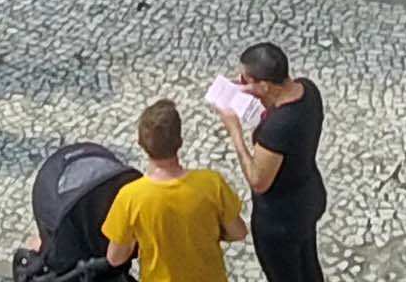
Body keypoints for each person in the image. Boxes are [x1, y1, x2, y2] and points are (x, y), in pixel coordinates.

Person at [99, 101, 247, 280]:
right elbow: (238, 232)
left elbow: (115, 258)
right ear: (180, 142)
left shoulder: (130, 197)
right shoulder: (211, 183)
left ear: (140, 143)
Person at [217, 43, 327, 282]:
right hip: (309, 196)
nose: (242, 84)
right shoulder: (309, 90)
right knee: (309, 265)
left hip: (281, 220)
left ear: (265, 85)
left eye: (246, 81)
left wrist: (235, 132)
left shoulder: (277, 128)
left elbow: (259, 181)